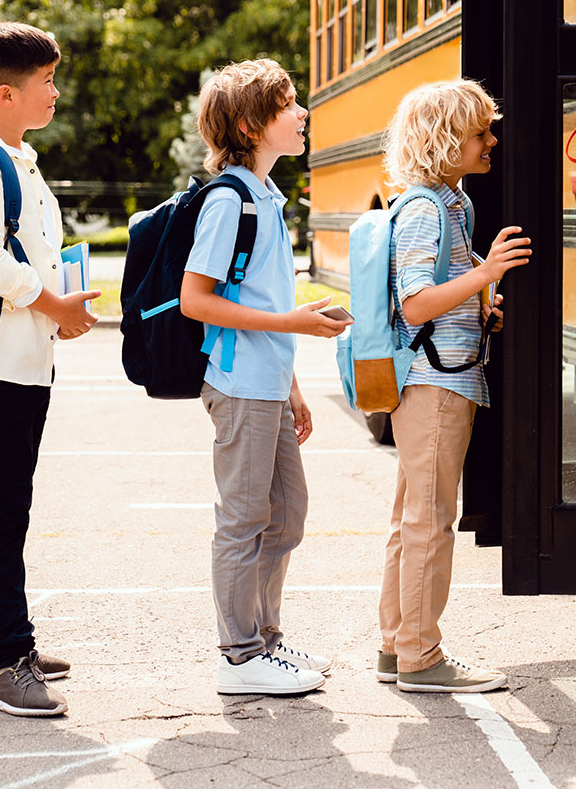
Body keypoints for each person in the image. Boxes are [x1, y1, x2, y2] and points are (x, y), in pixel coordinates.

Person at [0, 21, 101, 717]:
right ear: (6, 94)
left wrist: (56, 307)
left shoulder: (16, 159)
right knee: (2, 512)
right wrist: (53, 302)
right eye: (45, 83)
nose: (56, 92)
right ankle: (8, 659)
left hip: (15, 364)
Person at [178, 59, 353, 696]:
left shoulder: (263, 196)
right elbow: (196, 299)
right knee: (246, 517)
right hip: (240, 386)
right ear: (253, 125)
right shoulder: (230, 200)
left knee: (286, 517)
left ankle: (264, 644)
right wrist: (292, 323)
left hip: (269, 385)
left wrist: (294, 383)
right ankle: (239, 655)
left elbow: (259, 298)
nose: (302, 113)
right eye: (288, 105)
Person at [375, 80, 531, 693]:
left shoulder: (451, 205)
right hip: (434, 385)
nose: (492, 141)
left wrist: (482, 301)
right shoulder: (423, 210)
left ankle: (396, 647)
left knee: (412, 518)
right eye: (480, 133)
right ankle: (421, 656)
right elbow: (415, 305)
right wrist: (487, 274)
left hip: (440, 378)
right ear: (444, 141)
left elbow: (441, 297)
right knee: (430, 522)